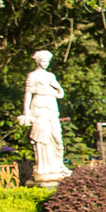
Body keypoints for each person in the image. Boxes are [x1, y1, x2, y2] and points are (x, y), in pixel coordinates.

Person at [18, 49, 71, 182]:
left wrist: (56, 88)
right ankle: (44, 168)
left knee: (56, 137)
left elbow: (60, 93)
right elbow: (28, 94)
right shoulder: (33, 76)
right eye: (43, 61)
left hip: (51, 107)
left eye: (48, 61)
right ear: (37, 61)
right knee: (42, 137)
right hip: (39, 108)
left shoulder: (51, 76)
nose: (46, 64)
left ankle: (58, 165)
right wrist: (26, 113)